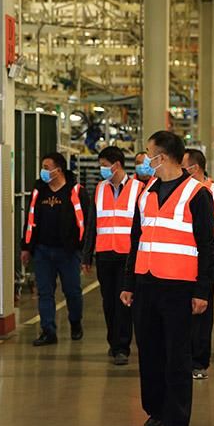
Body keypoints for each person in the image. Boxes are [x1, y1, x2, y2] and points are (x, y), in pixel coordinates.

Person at [120, 131, 214, 426]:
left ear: (161, 156)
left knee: (177, 355)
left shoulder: (196, 194)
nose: (146, 159)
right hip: (146, 284)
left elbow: (207, 247)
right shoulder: (146, 193)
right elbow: (137, 240)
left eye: (149, 153)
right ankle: (156, 410)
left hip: (179, 287)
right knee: (149, 352)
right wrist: (129, 283)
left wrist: (202, 291)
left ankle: (176, 423)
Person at [82, 145, 144, 365]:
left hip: (127, 256)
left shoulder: (138, 189)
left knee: (124, 302)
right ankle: (113, 341)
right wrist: (87, 255)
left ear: (117, 165)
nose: (102, 169)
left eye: (104, 165)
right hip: (105, 254)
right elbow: (92, 223)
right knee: (108, 302)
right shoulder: (100, 188)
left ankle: (122, 347)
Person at [21, 152, 88, 347]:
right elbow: (30, 219)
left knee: (72, 291)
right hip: (42, 251)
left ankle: (75, 322)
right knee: (45, 292)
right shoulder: (39, 191)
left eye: (46, 167)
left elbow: (85, 222)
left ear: (58, 170)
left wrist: (83, 251)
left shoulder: (76, 192)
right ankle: (48, 330)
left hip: (68, 252)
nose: (43, 171)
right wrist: (26, 247)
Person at [182, 148, 214, 380]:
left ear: (195, 168)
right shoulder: (180, 190)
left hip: (206, 260)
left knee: (202, 311)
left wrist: (212, 247)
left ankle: (199, 361)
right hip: (181, 260)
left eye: (183, 166)